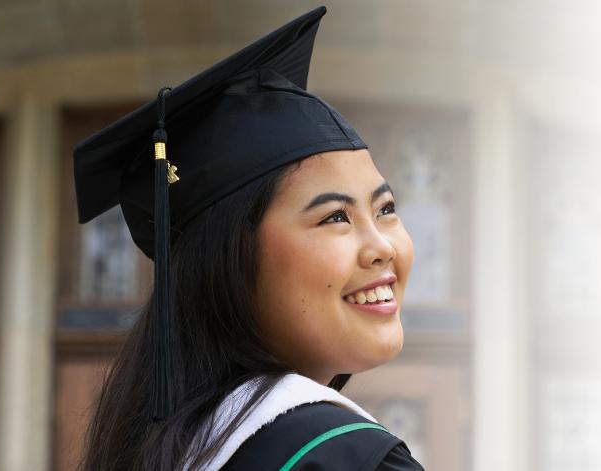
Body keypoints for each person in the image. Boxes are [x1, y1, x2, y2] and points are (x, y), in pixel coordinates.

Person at [71, 6, 424, 470]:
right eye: (335, 216)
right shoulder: (342, 457)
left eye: (386, 209)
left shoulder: (172, 451)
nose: (382, 247)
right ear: (231, 261)